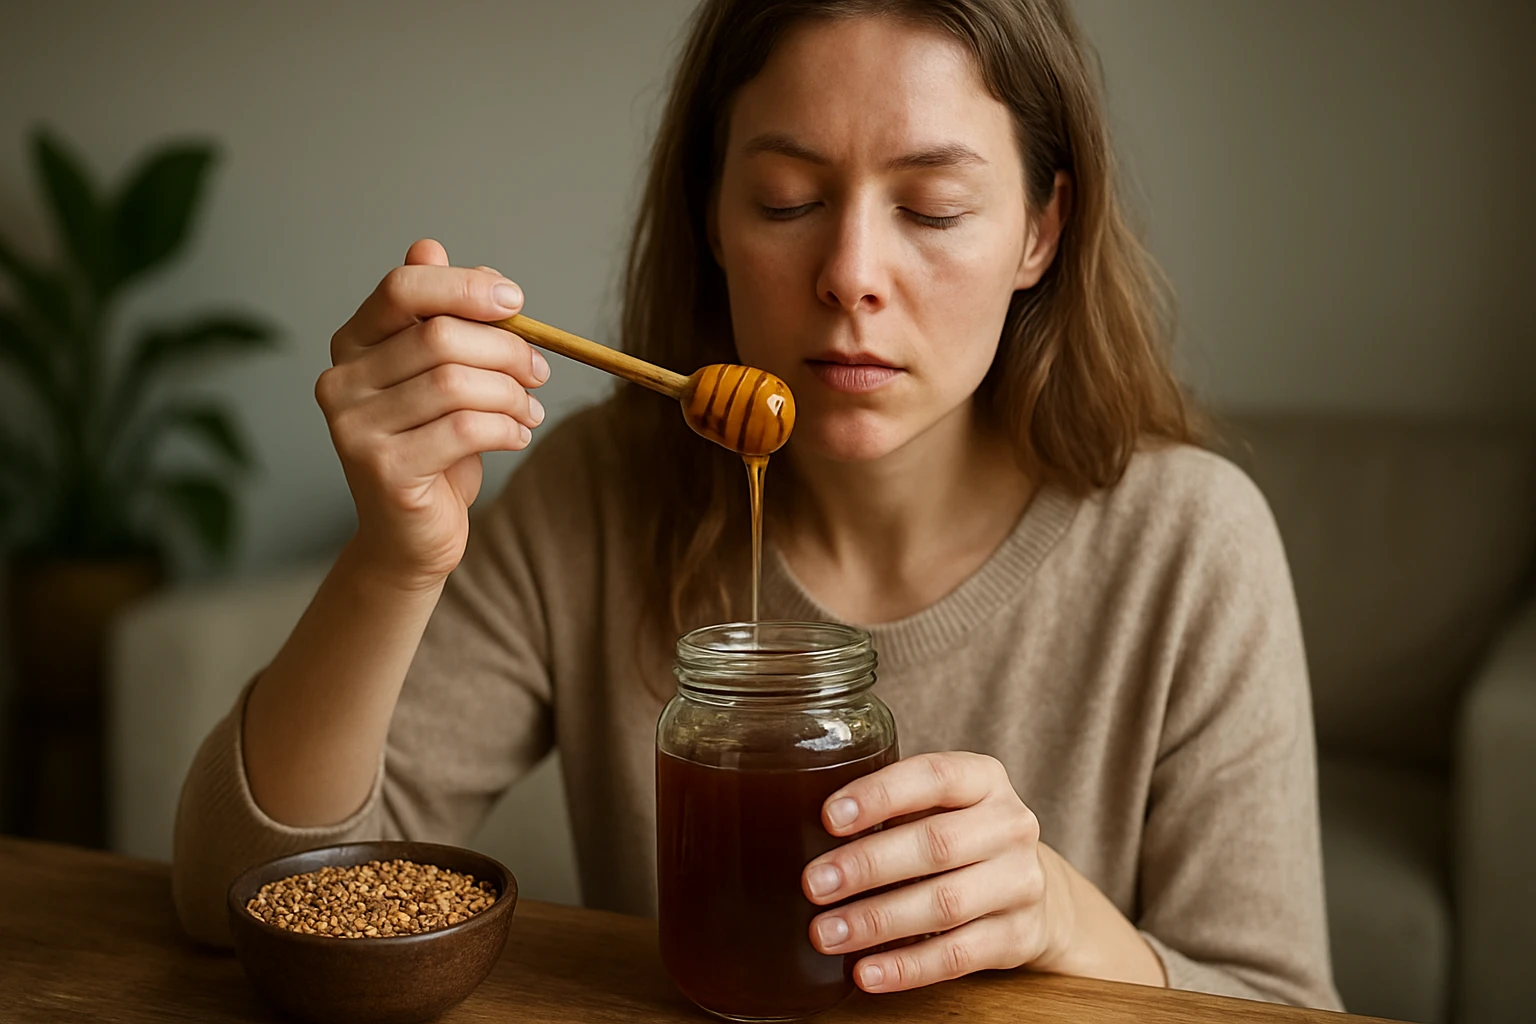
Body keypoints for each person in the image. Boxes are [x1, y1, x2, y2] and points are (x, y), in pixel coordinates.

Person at [173, 0, 1341, 1009]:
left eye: (932, 208)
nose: (850, 273)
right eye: (786, 200)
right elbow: (237, 899)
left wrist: (1066, 923)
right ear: (712, 217)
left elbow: (1285, 1010)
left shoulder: (1189, 543)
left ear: (1041, 229)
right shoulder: (596, 501)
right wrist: (394, 558)